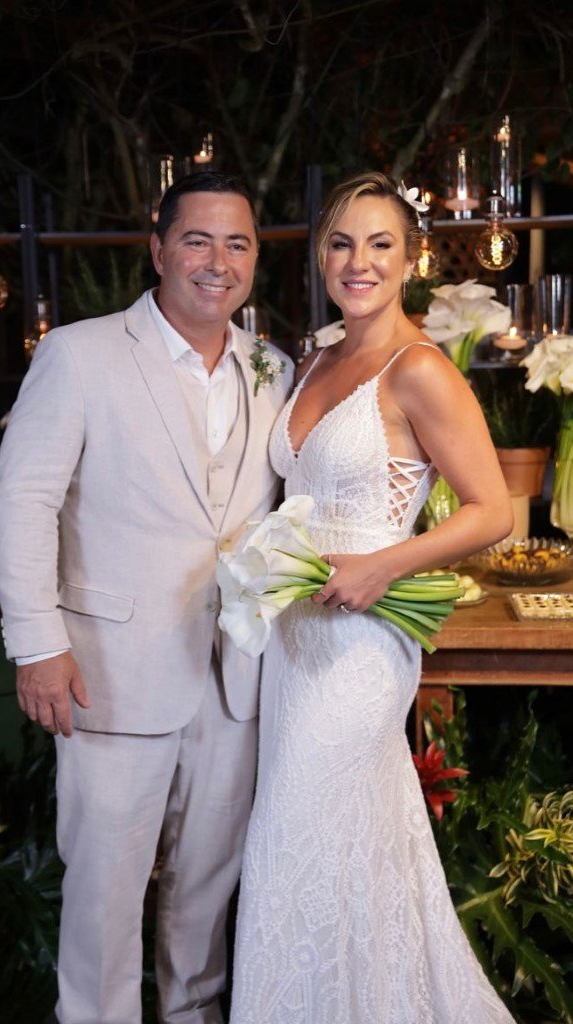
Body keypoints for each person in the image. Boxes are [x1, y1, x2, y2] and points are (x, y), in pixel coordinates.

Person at [0, 171, 293, 1024]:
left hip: (235, 680)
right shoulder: (79, 354)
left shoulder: (273, 368)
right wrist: (37, 646)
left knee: (205, 896)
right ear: (158, 251)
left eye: (237, 244)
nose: (218, 261)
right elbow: (21, 501)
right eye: (197, 240)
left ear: (254, 261)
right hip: (109, 675)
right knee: (104, 902)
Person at [229, 171, 516, 1023]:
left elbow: (493, 510)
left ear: (411, 259)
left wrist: (383, 566)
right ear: (322, 257)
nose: (360, 262)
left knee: (296, 832)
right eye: (343, 244)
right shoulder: (316, 357)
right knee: (334, 843)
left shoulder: (419, 368)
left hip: (360, 643)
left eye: (381, 244)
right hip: (294, 639)